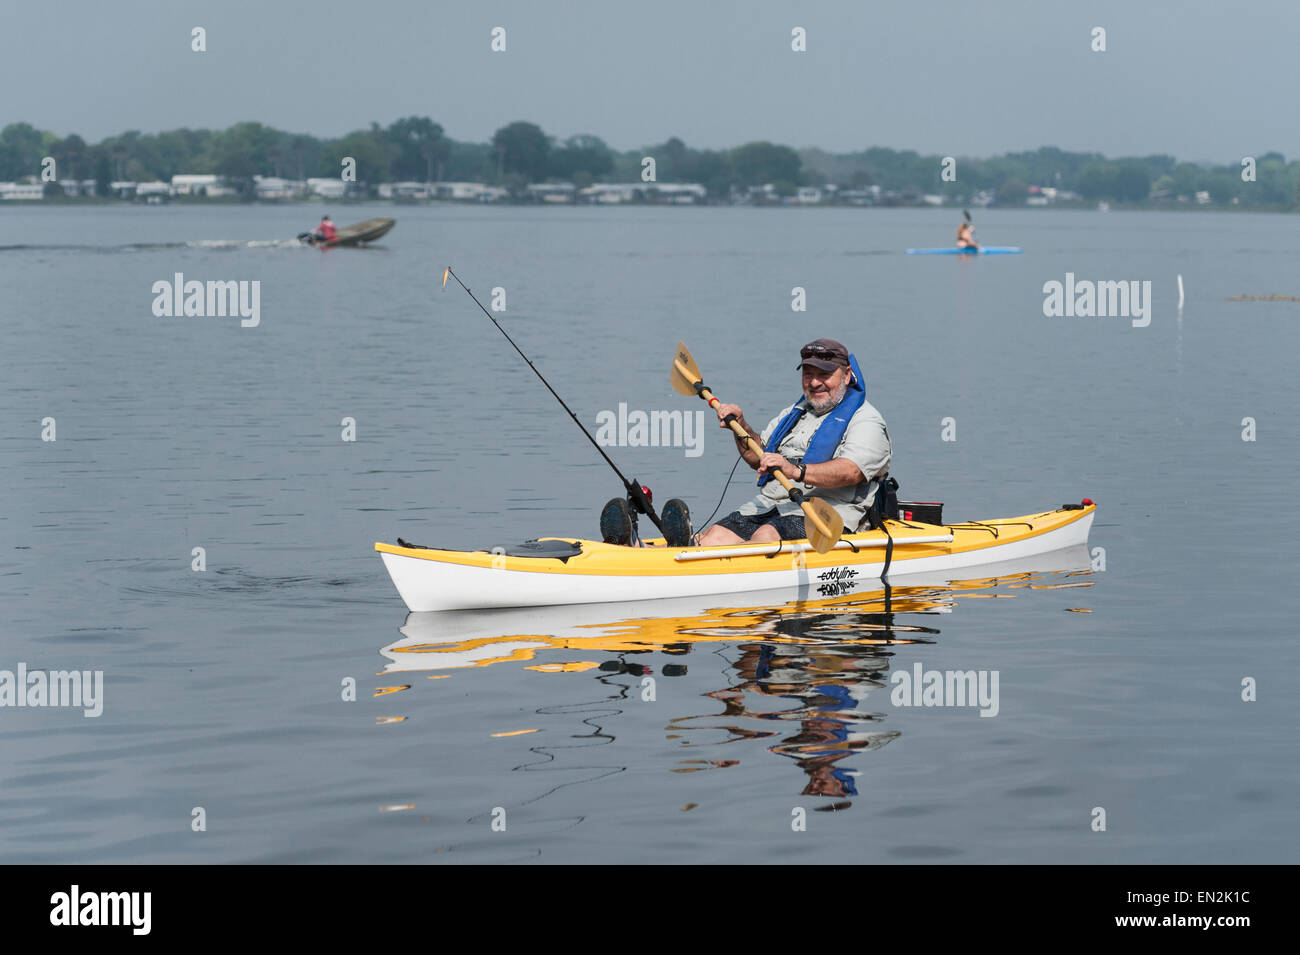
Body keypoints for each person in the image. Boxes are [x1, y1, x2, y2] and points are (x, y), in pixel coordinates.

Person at [696, 338, 892, 545]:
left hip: (830, 513)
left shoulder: (866, 420)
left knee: (766, 535)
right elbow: (757, 457)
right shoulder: (793, 413)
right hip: (774, 504)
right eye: (808, 375)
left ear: (846, 375)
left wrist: (795, 471)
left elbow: (851, 470)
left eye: (824, 375)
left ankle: (731, 569)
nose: (815, 383)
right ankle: (678, 555)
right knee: (715, 535)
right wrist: (741, 427)